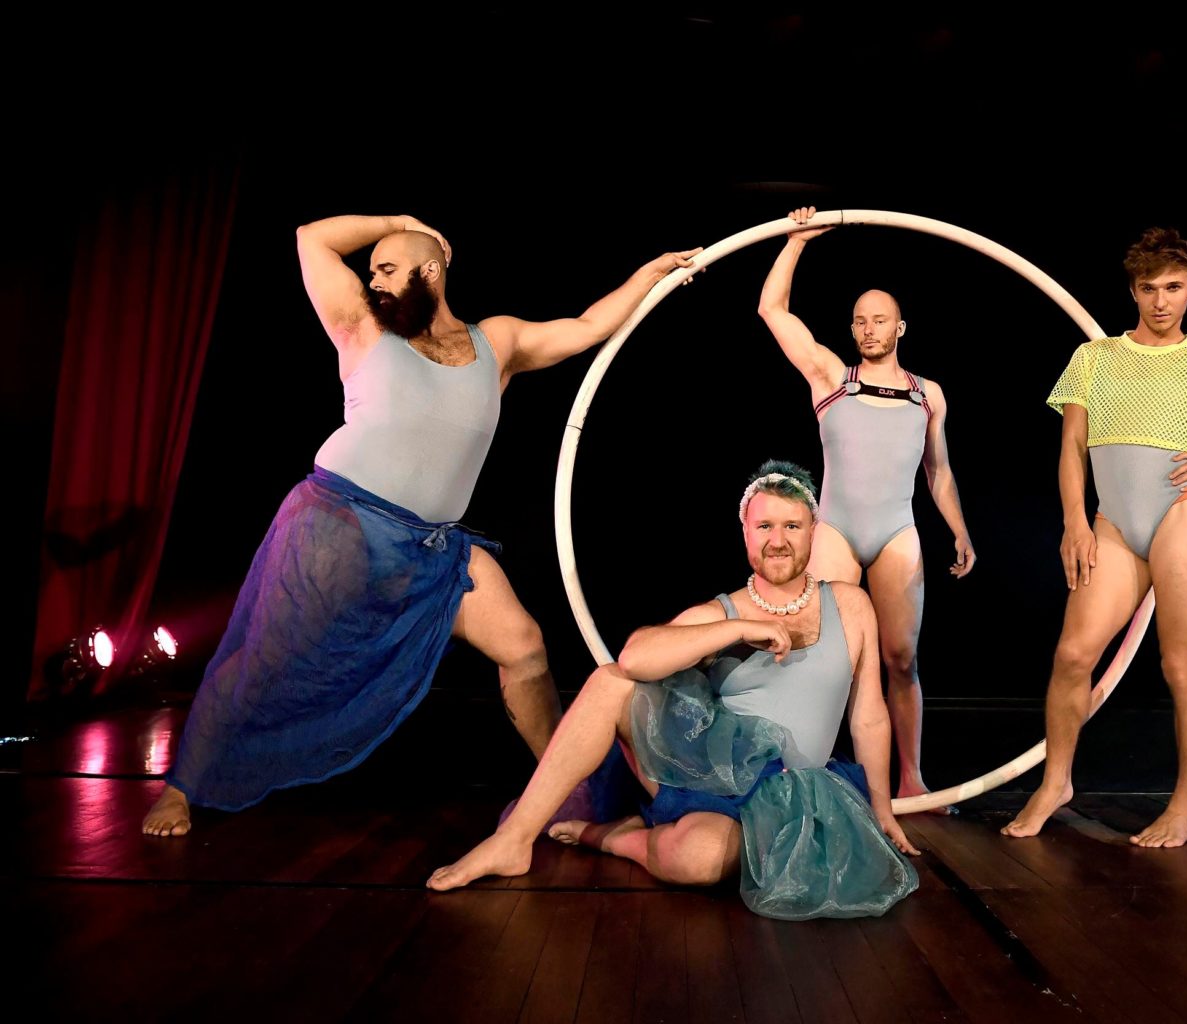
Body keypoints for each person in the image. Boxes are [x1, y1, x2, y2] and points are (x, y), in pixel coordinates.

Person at [142, 213, 699, 837]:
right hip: (344, 524)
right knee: (265, 658)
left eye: (387, 268)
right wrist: (397, 223)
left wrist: (651, 274)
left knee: (524, 648)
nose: (375, 281)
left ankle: (563, 787)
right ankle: (182, 786)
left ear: (429, 271)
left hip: (433, 547)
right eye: (371, 271)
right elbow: (310, 238)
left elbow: (590, 326)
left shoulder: (497, 343)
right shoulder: (362, 328)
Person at [427, 461, 919, 920]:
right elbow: (634, 658)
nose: (778, 540)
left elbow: (868, 716)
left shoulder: (850, 605)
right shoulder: (721, 612)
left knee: (700, 857)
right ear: (746, 533)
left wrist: (880, 808)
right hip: (719, 777)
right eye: (765, 526)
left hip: (797, 792)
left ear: (813, 531)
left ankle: (613, 837)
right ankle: (514, 840)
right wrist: (737, 629)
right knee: (610, 684)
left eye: (792, 526)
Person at [1003, 227, 1187, 847]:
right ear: (1133, 291)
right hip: (1113, 521)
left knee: (1180, 665)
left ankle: (1185, 809)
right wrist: (1075, 521)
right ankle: (1056, 783)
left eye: (1172, 287)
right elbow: (1072, 447)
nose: (1160, 300)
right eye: (1148, 288)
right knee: (1073, 655)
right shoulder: (1095, 357)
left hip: (1182, 515)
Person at [756, 207, 977, 810]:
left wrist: (959, 530)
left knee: (900, 659)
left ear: (900, 327)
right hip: (836, 531)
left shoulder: (927, 394)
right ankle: (804, 771)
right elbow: (772, 309)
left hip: (897, 533)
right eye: (859, 320)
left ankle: (911, 779)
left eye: (880, 319)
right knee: (822, 658)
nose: (868, 328)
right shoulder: (832, 376)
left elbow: (939, 471)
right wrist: (796, 241)